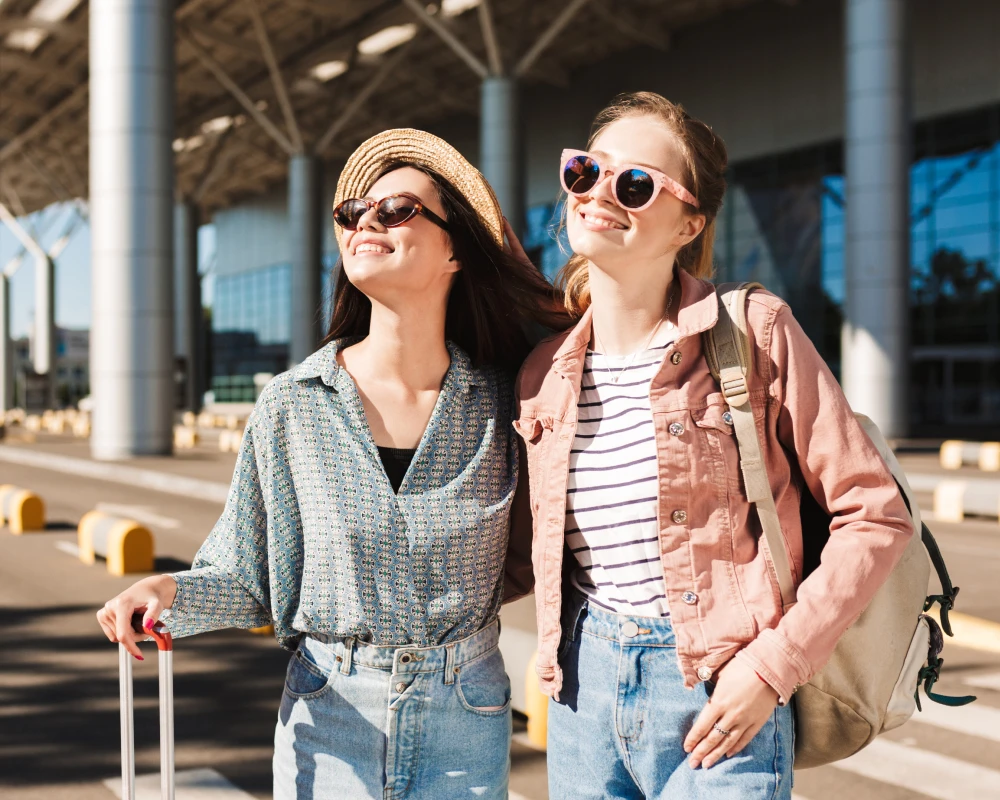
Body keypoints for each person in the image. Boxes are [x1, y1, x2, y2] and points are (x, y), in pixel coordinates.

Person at [97, 128, 566, 800]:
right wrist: (167, 595)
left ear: (454, 249)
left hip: (468, 716)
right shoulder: (293, 406)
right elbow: (249, 572)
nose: (365, 222)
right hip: (330, 717)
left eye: (396, 210)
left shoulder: (504, 402)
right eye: (351, 213)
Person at [512, 92, 914, 799]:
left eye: (635, 185)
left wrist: (771, 667)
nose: (601, 193)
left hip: (719, 690)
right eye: (587, 171)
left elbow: (875, 512)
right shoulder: (544, 373)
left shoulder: (753, 329)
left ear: (689, 221)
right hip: (582, 697)